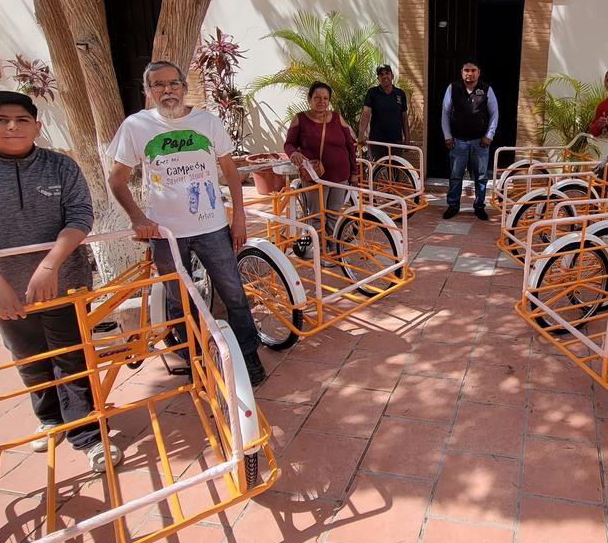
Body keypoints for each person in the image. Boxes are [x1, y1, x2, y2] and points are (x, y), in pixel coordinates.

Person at [0, 91, 118, 472]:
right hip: (4, 292)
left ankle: (87, 433)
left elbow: (79, 217)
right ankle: (51, 419)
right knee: (30, 358)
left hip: (64, 282)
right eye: (1, 120)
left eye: (22, 120)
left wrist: (50, 264)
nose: (12, 127)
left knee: (72, 355)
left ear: (37, 126)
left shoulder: (60, 168)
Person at [108, 60, 267, 387]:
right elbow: (117, 180)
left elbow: (231, 172)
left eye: (173, 84)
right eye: (158, 85)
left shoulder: (206, 122)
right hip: (166, 234)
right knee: (178, 298)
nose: (167, 90)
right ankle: (194, 358)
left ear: (184, 86)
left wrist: (239, 218)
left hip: (212, 227)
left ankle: (249, 354)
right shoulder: (135, 127)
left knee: (234, 292)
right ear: (148, 91)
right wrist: (138, 218)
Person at [284, 81, 361, 254]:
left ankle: (332, 247)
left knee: (333, 214)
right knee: (317, 217)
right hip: (314, 176)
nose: (322, 102)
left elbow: (350, 146)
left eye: (325, 98)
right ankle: (322, 251)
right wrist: (293, 153)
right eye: (317, 97)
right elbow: (289, 144)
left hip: (340, 176)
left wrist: (354, 173)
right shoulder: (300, 119)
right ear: (309, 99)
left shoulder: (337, 117)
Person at [441, 58, 498, 221]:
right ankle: (453, 206)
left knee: (481, 177)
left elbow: (494, 114)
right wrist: (447, 136)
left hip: (480, 142)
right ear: (462, 73)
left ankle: (479, 206)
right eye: (467, 70)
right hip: (458, 141)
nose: (470, 74)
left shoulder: (486, 89)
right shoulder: (453, 88)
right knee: (455, 175)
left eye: (473, 70)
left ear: (478, 73)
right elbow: (445, 113)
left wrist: (489, 135)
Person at [359, 63, 408, 164]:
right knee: (375, 168)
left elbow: (404, 117)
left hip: (395, 141)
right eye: (381, 74)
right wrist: (361, 133)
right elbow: (366, 113)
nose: (385, 76)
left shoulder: (400, 94)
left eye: (387, 73)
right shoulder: (372, 93)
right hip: (377, 140)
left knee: (395, 171)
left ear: (392, 76)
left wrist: (407, 138)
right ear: (378, 78)